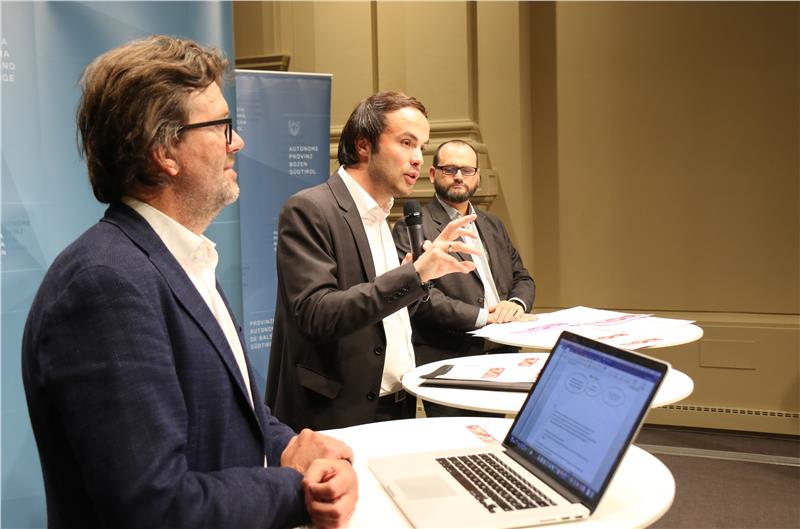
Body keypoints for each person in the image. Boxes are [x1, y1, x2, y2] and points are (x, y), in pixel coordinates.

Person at [21, 35, 357, 529]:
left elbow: (232, 415)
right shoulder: (106, 285)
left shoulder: (178, 260)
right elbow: (154, 506)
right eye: (221, 126)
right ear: (164, 151)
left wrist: (289, 447)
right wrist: (299, 489)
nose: (237, 142)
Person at [266, 91, 482, 431]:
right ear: (364, 145)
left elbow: (382, 310)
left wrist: (418, 280)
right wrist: (413, 275)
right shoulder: (310, 209)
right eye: (406, 143)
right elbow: (316, 314)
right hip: (335, 415)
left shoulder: (381, 215)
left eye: (421, 147)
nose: (417, 159)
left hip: (398, 404)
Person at [392, 140, 536, 417]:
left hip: (501, 355)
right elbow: (420, 298)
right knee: (456, 437)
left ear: (477, 177)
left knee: (494, 434)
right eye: (450, 169)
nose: (459, 176)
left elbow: (522, 277)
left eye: (467, 170)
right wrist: (484, 317)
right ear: (433, 174)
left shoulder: (493, 224)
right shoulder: (412, 227)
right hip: (449, 358)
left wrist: (515, 304)